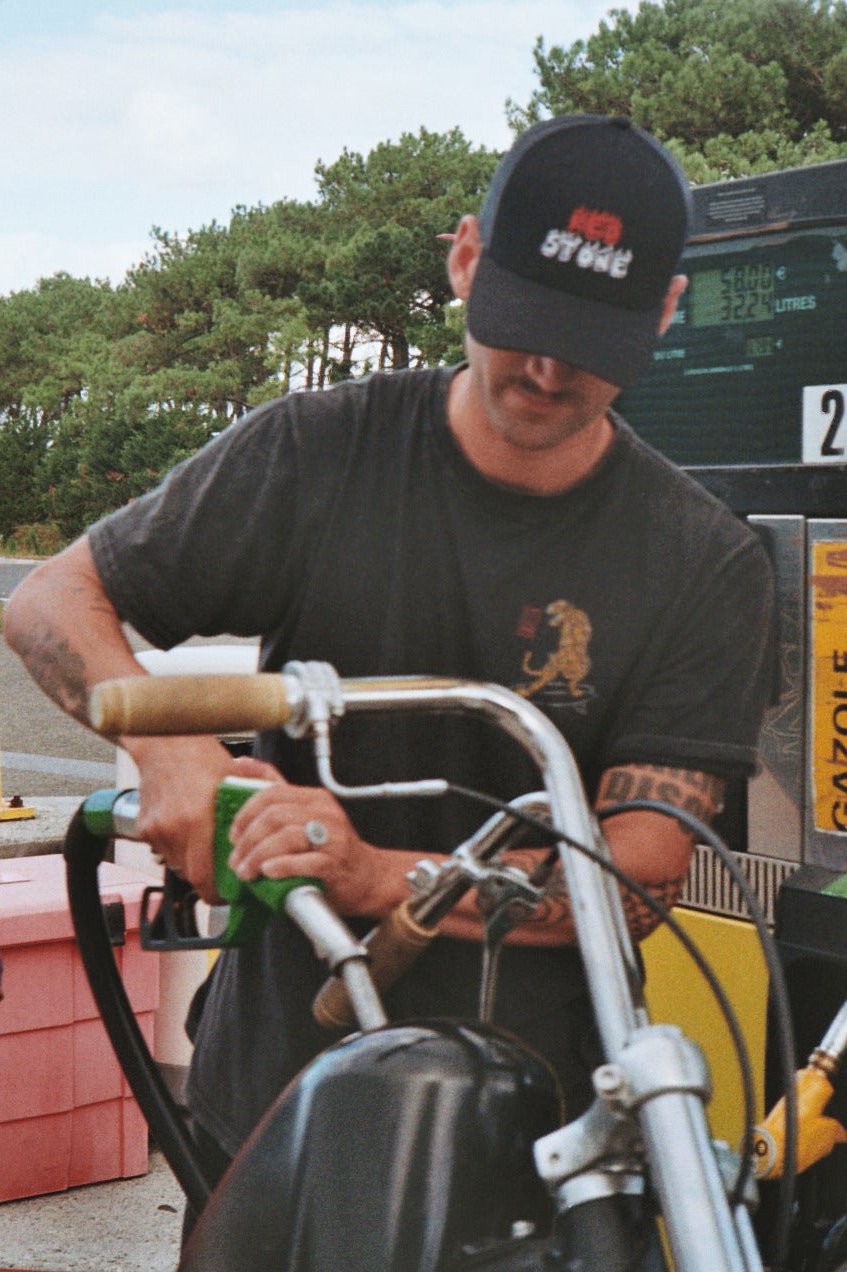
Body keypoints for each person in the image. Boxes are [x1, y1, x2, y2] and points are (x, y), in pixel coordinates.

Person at [5, 114, 774, 1191]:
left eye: (592, 341)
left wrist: (370, 874)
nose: (547, 369)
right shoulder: (316, 454)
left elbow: (636, 868)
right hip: (281, 1099)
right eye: (524, 320)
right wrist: (170, 744)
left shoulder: (703, 557)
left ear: (664, 312)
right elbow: (55, 596)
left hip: (537, 1132)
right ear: (465, 260)